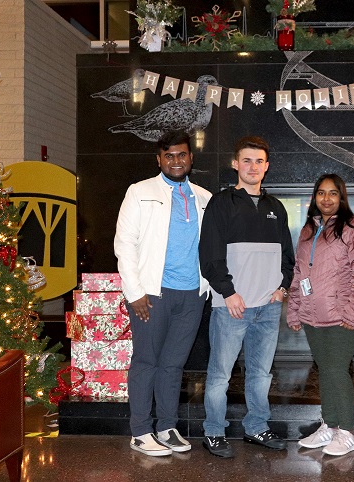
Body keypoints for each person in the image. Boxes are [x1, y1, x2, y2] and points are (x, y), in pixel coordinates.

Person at [114, 130, 212, 457]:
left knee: (173, 364)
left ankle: (167, 427)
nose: (175, 161)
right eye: (168, 156)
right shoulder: (139, 192)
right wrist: (135, 292)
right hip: (152, 294)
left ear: (190, 157)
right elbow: (124, 245)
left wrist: (206, 289)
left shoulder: (203, 197)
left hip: (191, 295)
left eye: (181, 155)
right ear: (159, 159)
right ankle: (141, 431)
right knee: (147, 361)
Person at [199, 136, 294, 458]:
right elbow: (209, 253)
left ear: (266, 167)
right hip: (232, 306)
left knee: (260, 374)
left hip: (267, 307)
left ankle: (256, 427)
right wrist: (228, 292)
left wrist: (283, 288)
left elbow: (287, 256)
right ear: (235, 164)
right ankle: (213, 431)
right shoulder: (221, 203)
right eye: (247, 161)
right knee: (220, 375)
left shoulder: (275, 208)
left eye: (259, 161)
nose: (253, 167)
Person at [287, 174, 354, 457]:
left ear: (342, 197)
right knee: (325, 370)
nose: (326, 199)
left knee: (336, 369)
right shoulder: (308, 229)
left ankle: (348, 431)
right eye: (321, 193)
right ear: (315, 197)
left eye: (333, 193)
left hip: (343, 315)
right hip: (314, 315)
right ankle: (330, 424)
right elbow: (299, 273)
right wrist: (295, 308)